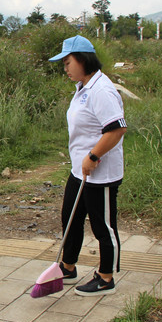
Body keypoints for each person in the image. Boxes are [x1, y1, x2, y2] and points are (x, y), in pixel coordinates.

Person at [49, 35, 127, 296]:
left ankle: (106, 278)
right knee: (70, 219)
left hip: (100, 174)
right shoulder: (83, 87)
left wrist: (93, 157)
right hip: (79, 171)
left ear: (83, 60)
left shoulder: (102, 90)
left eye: (67, 62)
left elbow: (116, 129)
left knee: (103, 227)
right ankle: (68, 267)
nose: (65, 68)